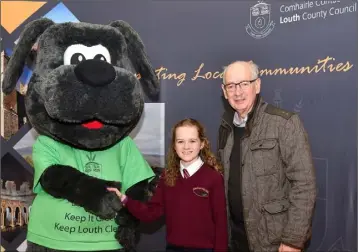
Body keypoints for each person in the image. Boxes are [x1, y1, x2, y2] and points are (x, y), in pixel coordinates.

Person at [217, 60, 317, 252]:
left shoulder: (284, 123)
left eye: (244, 83)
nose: (237, 92)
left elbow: (304, 184)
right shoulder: (225, 128)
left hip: (275, 243)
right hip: (236, 240)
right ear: (224, 91)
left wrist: (293, 240)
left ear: (257, 85)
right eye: (231, 86)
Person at [108, 118, 228, 252]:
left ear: (202, 144)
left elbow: (221, 223)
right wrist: (125, 200)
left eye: (192, 141)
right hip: (173, 248)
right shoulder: (168, 176)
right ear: (174, 146)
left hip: (205, 249)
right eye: (180, 141)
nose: (186, 147)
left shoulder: (213, 177)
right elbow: (151, 213)